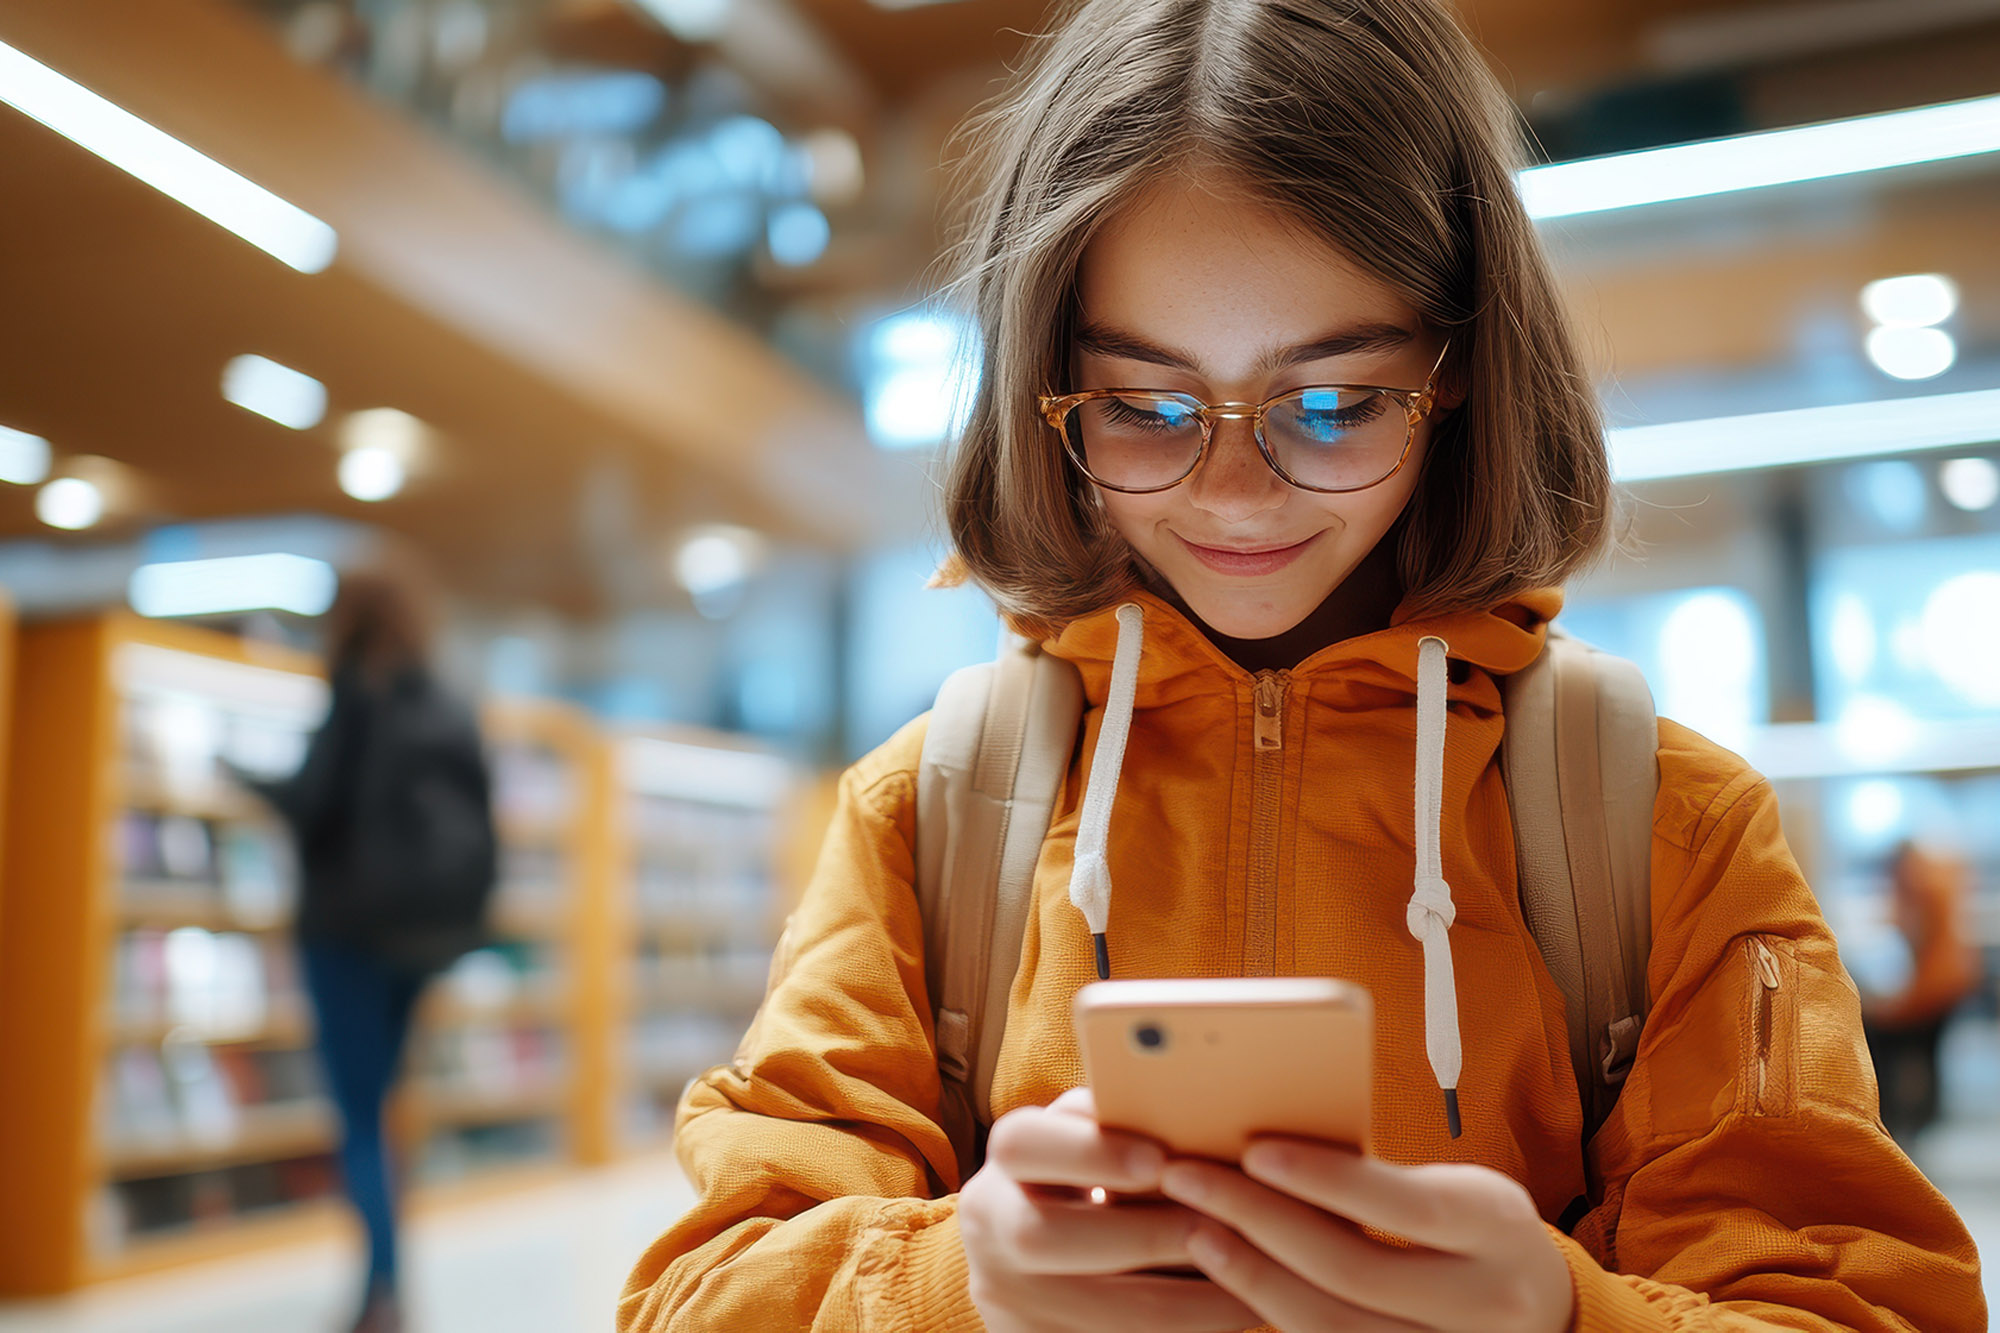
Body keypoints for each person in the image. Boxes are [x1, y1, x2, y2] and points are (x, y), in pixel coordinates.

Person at [618, 0, 1985, 1326]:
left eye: (1332, 404)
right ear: (1047, 390)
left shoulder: (1669, 833)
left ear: (1458, 372)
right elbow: (693, 1297)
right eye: (1145, 407)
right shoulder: (930, 816)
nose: (1235, 495)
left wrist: (1564, 1319)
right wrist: (950, 1287)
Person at [241, 566, 496, 1333]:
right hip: (423, 940)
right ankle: (387, 1282)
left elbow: (312, 803)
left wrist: (247, 779)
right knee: (384, 1104)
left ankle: (381, 1289)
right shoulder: (449, 702)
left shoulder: (355, 693)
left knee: (357, 1112)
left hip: (346, 933)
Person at [1863, 841, 1984, 1145]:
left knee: (1900, 1040)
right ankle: (1920, 1114)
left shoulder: (1921, 888)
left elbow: (1917, 937)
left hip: (1939, 984)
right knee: (1927, 1051)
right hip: (1950, 980)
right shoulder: (1934, 883)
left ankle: (1906, 1114)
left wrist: (1893, 1004)